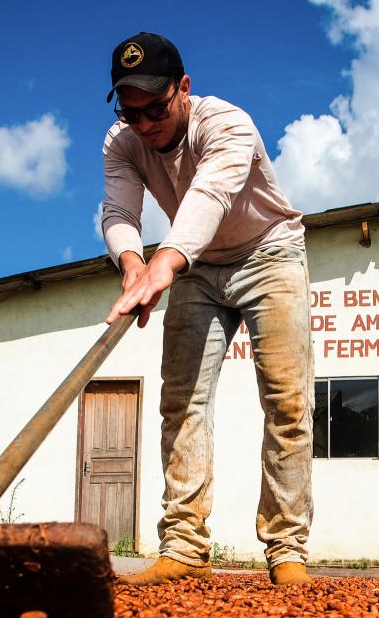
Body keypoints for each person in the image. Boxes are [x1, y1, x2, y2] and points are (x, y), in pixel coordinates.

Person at [99, 32, 313, 586]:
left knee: (288, 402)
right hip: (197, 267)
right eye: (131, 111)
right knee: (181, 401)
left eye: (155, 108)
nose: (144, 124)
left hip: (269, 253)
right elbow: (119, 209)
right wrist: (131, 264)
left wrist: (163, 264)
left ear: (184, 89)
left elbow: (209, 197)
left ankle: (287, 547)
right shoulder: (122, 142)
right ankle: (185, 546)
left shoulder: (226, 124)